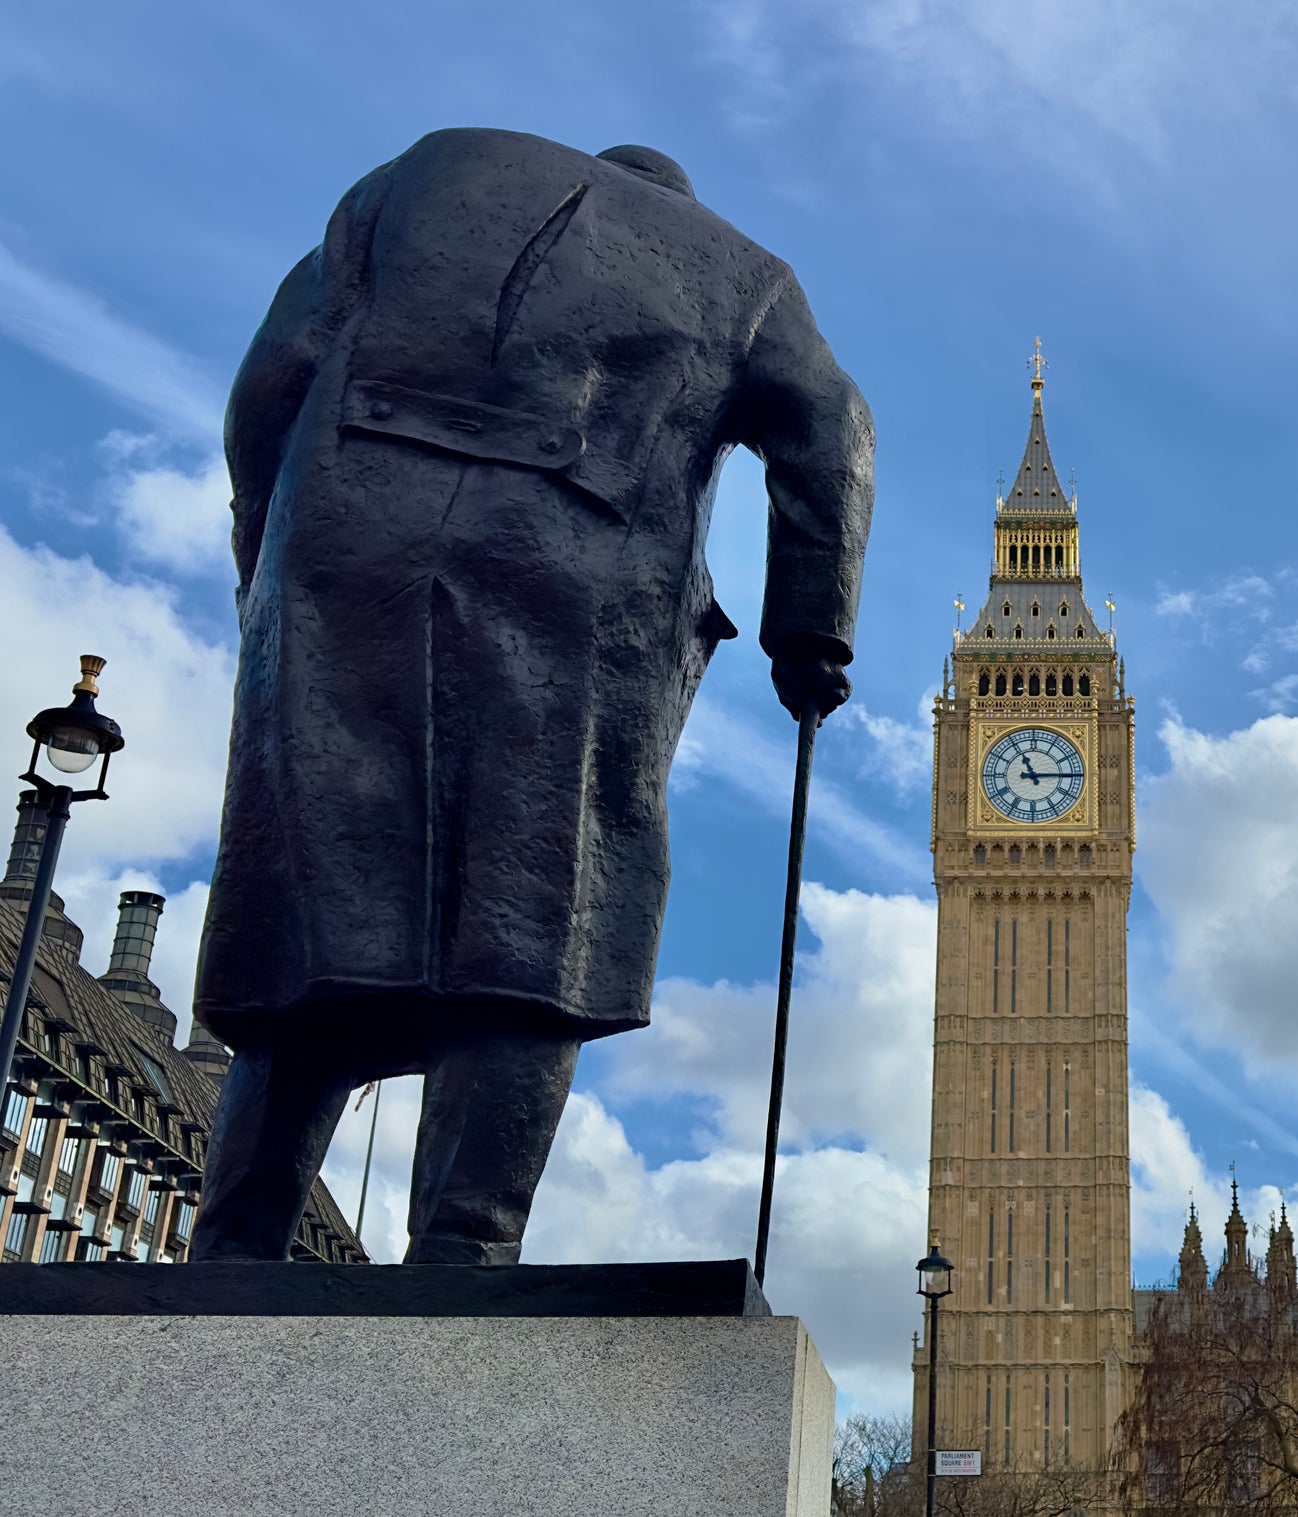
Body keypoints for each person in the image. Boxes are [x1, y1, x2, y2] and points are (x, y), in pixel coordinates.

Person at [189, 130, 873, 1265]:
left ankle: (234, 1239)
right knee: (542, 902)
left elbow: (272, 377)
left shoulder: (420, 173)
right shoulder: (744, 272)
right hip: (572, 580)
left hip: (344, 542)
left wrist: (266, 555)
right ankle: (464, 1242)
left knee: (312, 893)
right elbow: (831, 426)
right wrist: (809, 631)